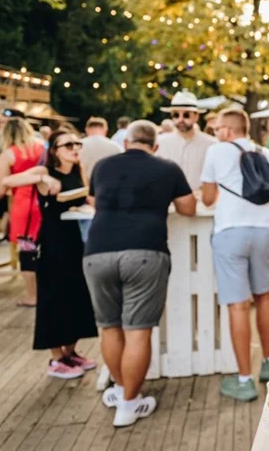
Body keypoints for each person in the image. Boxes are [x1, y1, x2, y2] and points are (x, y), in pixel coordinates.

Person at [84, 120, 196, 427]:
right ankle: (129, 405)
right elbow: (189, 208)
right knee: (138, 331)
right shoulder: (167, 167)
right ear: (155, 145)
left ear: (126, 142)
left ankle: (121, 392)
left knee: (108, 327)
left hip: (97, 250)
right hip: (145, 251)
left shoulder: (103, 166)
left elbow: (93, 200)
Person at [0, 129, 98, 378]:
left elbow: (86, 197)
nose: (75, 148)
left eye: (77, 143)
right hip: (53, 242)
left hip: (76, 241)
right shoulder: (44, 171)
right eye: (68, 145)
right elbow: (7, 182)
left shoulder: (79, 171)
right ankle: (56, 358)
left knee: (77, 295)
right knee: (54, 298)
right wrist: (43, 181)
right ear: (54, 151)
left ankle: (71, 351)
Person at [200, 108, 269, 401]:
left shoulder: (217, 151)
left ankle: (245, 380)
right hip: (264, 230)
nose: (216, 131)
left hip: (231, 231)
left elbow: (207, 200)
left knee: (238, 306)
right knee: (265, 296)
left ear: (228, 130)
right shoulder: (264, 153)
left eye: (218, 126)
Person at [0, 117, 45, 306]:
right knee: (44, 249)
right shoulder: (41, 148)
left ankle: (32, 295)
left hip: (25, 204)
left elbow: (2, 186)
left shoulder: (9, 154)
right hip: (44, 201)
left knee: (27, 251)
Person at [157, 91, 216, 190]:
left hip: (200, 202)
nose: (181, 119)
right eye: (176, 115)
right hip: (168, 201)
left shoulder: (211, 144)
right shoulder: (160, 142)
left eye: (186, 115)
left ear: (196, 116)